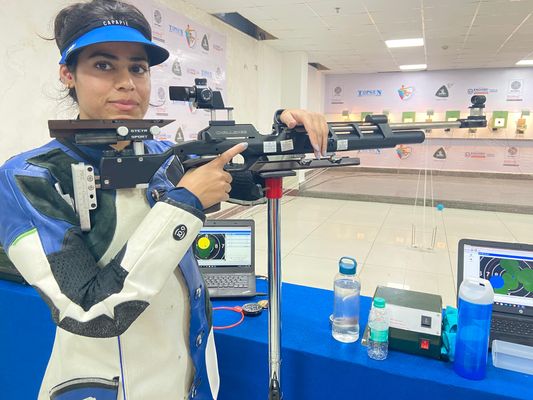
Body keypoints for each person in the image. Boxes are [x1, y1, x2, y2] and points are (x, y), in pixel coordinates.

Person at [0, 1, 328, 399]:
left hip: (192, 377)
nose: (127, 82)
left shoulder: (162, 152)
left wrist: (285, 133)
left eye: (138, 68)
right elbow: (88, 310)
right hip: (113, 387)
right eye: (104, 65)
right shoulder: (29, 176)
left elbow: (240, 177)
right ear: (68, 74)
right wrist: (185, 201)